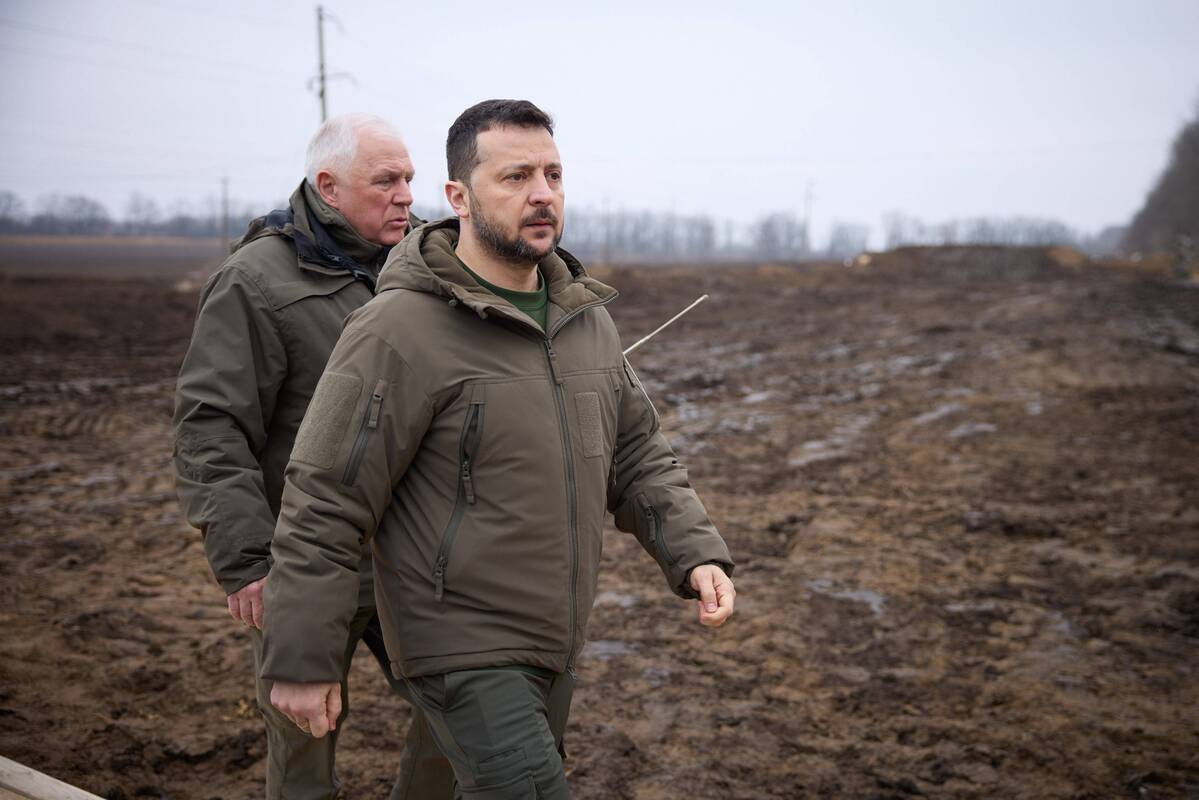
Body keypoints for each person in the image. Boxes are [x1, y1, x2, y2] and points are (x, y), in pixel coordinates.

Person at [262, 99, 736, 799]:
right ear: (458, 197)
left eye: (552, 175)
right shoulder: (398, 329)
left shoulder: (584, 322)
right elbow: (327, 495)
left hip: (553, 636)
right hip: (458, 641)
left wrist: (694, 553)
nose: (542, 194)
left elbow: (636, 453)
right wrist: (302, 659)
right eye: (515, 177)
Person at [172, 113, 454, 800]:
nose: (405, 195)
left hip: (418, 555)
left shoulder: (429, 265)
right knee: (303, 738)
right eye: (385, 181)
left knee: (459, 714)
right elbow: (212, 426)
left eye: (409, 179)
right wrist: (246, 560)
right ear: (328, 187)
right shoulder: (255, 281)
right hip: (306, 559)